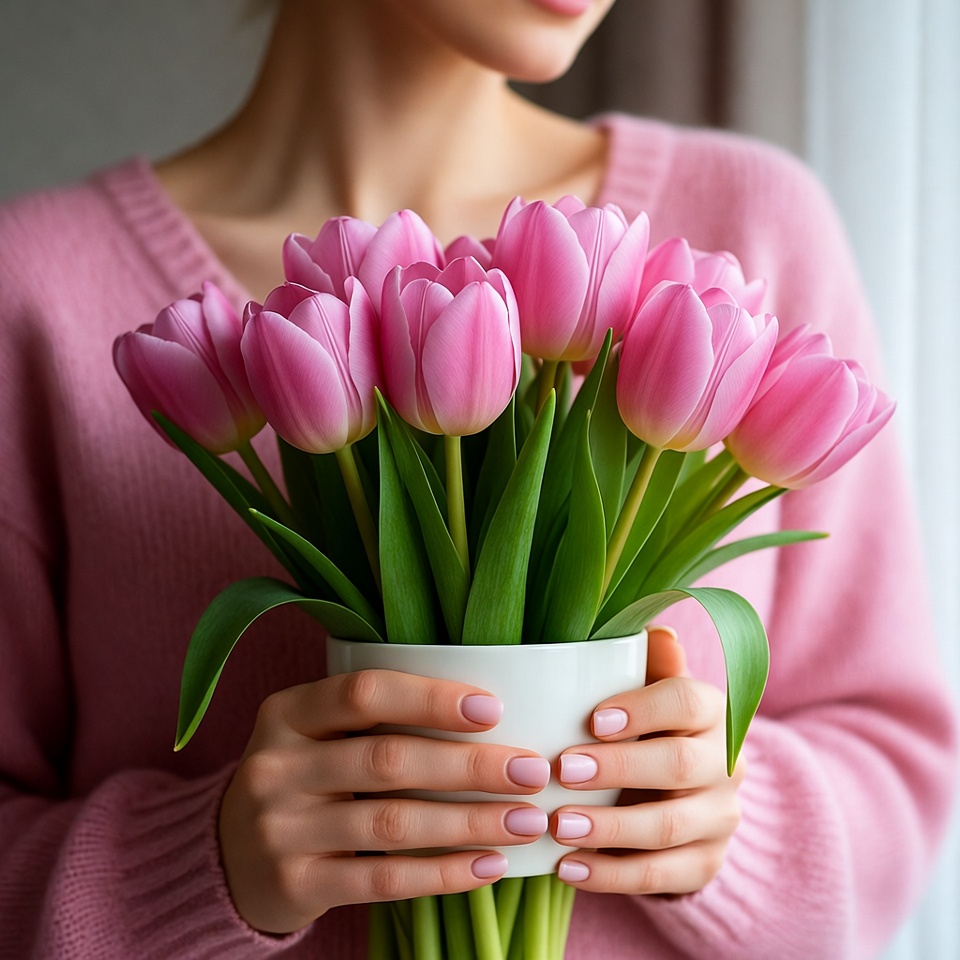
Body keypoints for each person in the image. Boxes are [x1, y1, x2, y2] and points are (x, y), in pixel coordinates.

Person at [0, 0, 956, 957]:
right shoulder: (37, 291)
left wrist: (735, 825)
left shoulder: (745, 227)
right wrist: (197, 866)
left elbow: (898, 758)